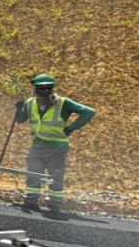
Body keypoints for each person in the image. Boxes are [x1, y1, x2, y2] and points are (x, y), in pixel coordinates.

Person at [14, 73, 95, 217]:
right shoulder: (30, 103)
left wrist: (71, 128)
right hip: (38, 145)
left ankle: (54, 205)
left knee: (55, 176)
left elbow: (88, 112)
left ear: (53, 88)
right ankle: (31, 201)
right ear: (35, 89)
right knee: (33, 173)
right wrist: (18, 109)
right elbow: (20, 120)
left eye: (48, 88)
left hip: (57, 147)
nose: (45, 91)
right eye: (41, 88)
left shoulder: (63, 103)